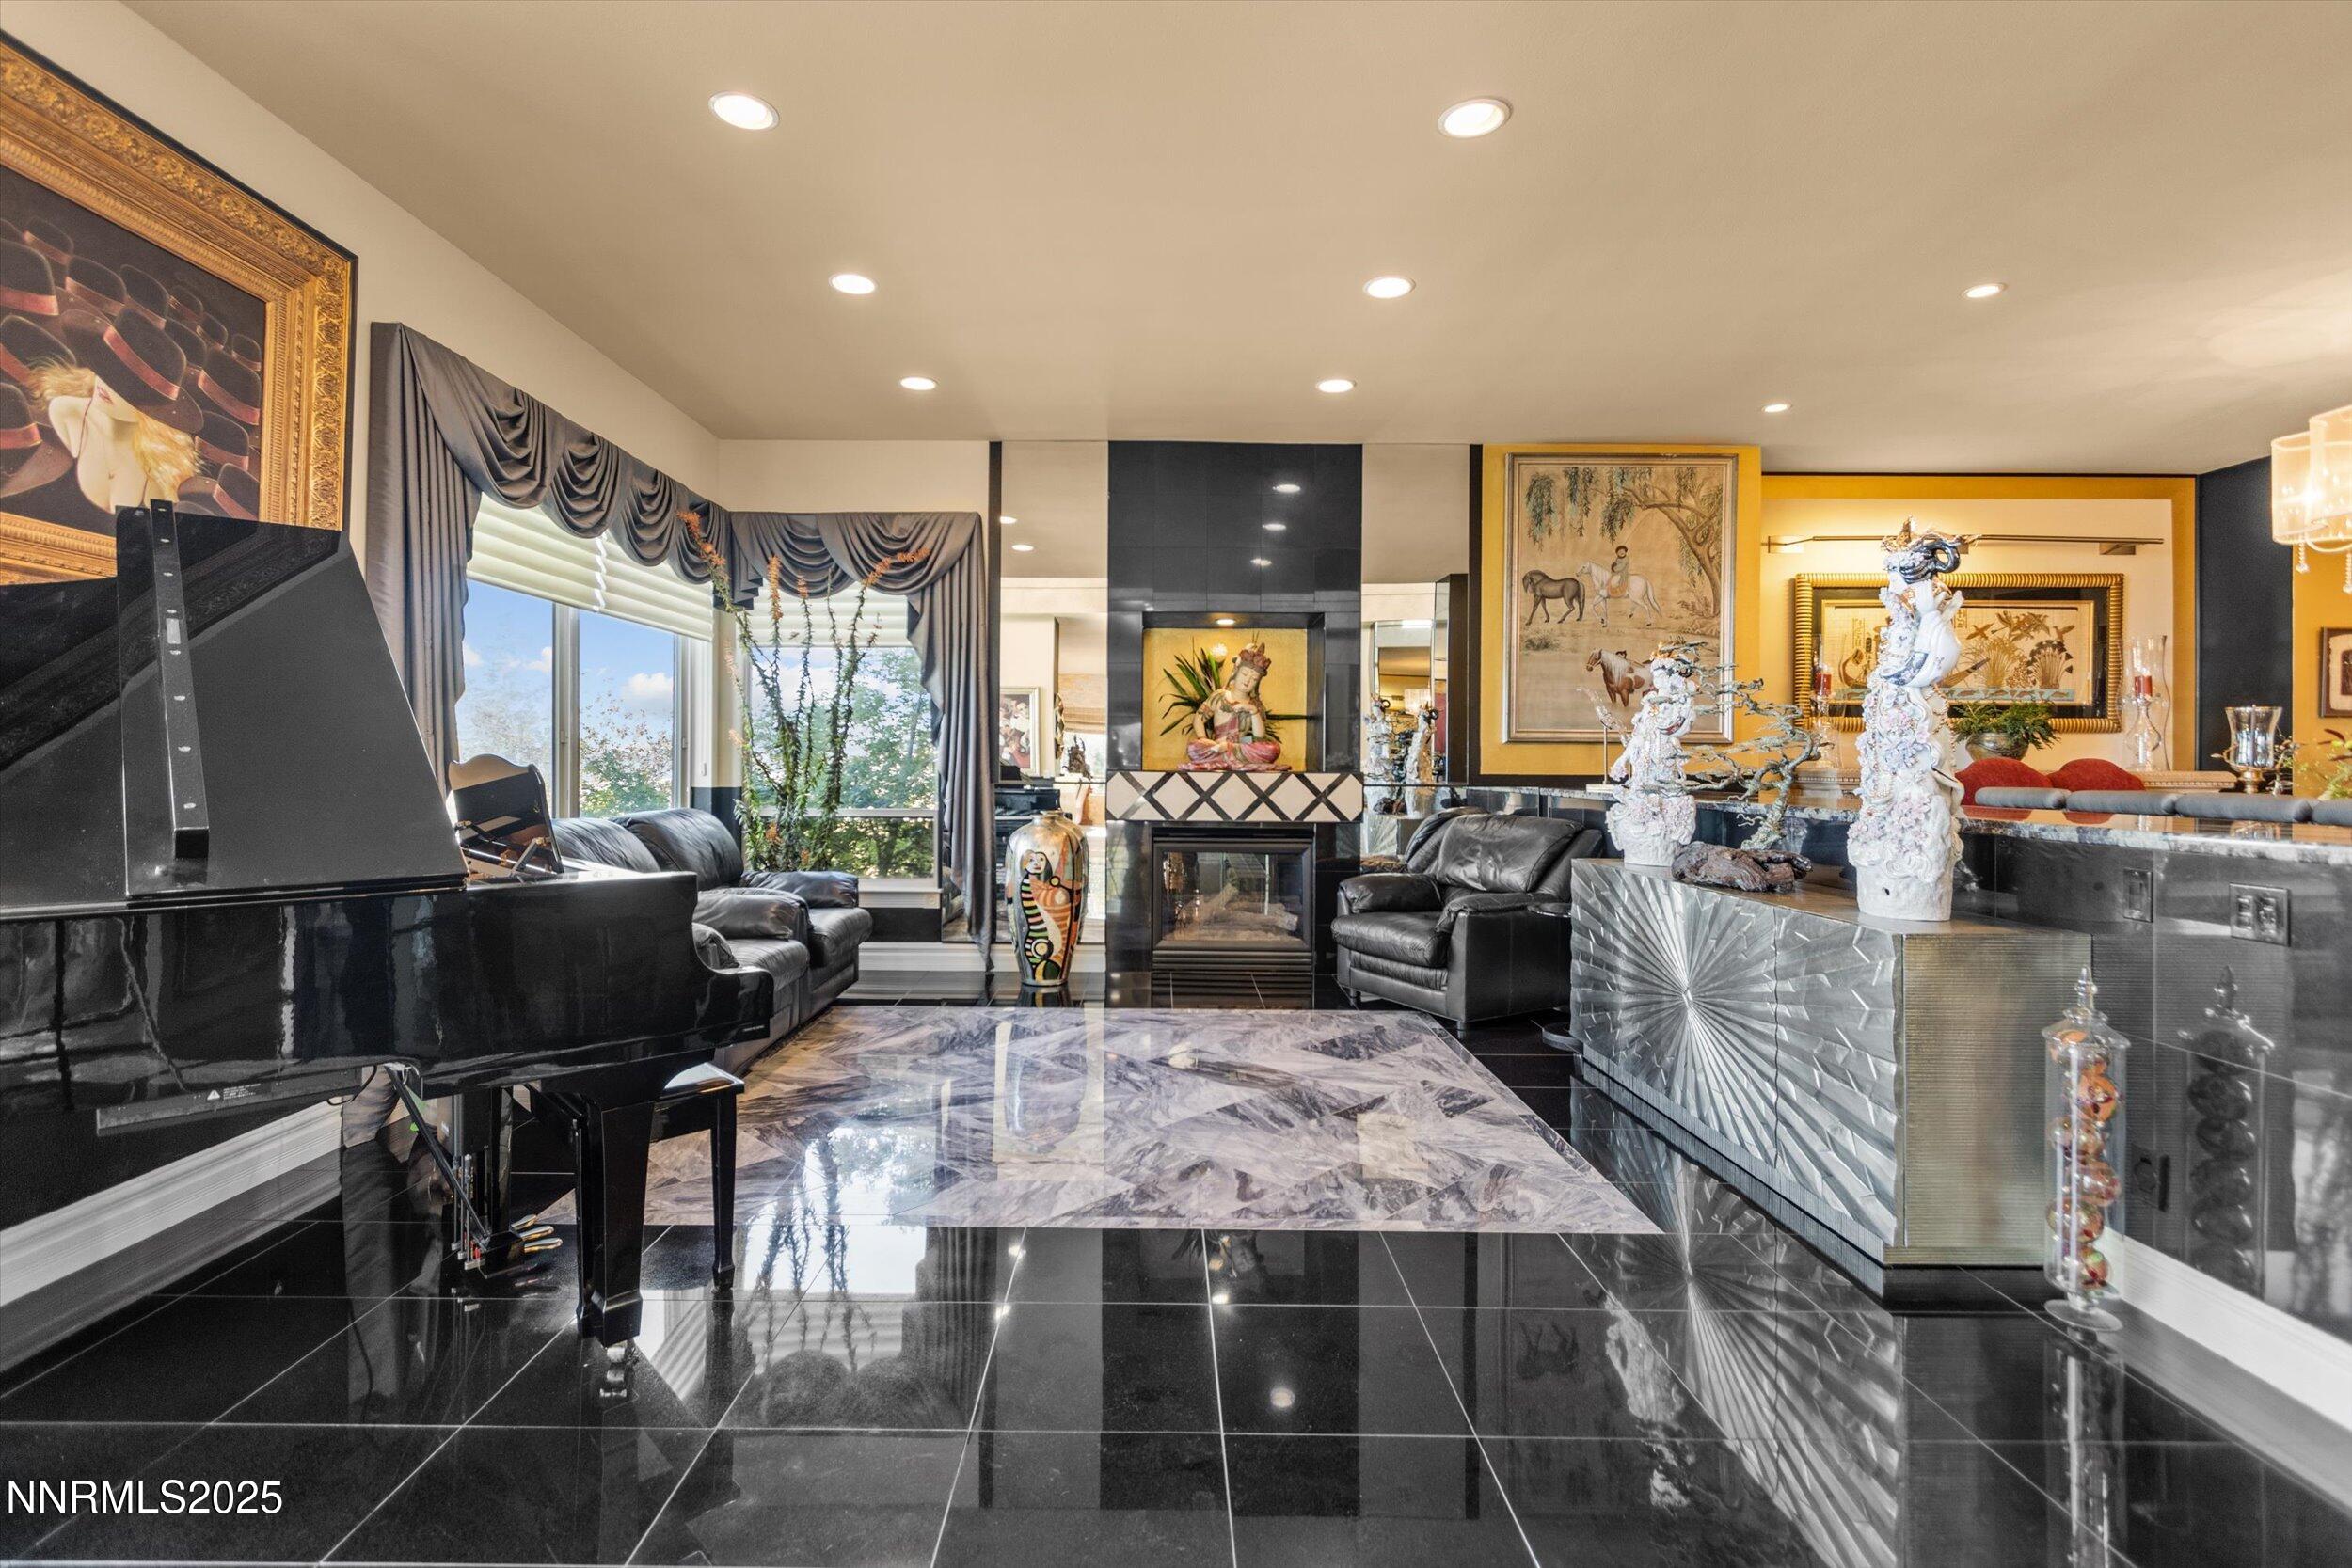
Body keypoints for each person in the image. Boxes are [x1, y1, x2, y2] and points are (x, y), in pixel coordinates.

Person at [1183, 641, 1283, 770]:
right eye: (1245, 674)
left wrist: (1253, 711)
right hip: (1217, 747)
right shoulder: (1221, 695)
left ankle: (1227, 753)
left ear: (1257, 683)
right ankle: (1225, 754)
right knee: (1194, 748)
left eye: (1254, 679)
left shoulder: (1254, 704)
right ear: (1236, 672)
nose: (1247, 681)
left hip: (1240, 748)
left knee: (1272, 749)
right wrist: (1203, 740)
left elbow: (1259, 738)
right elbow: (1199, 718)